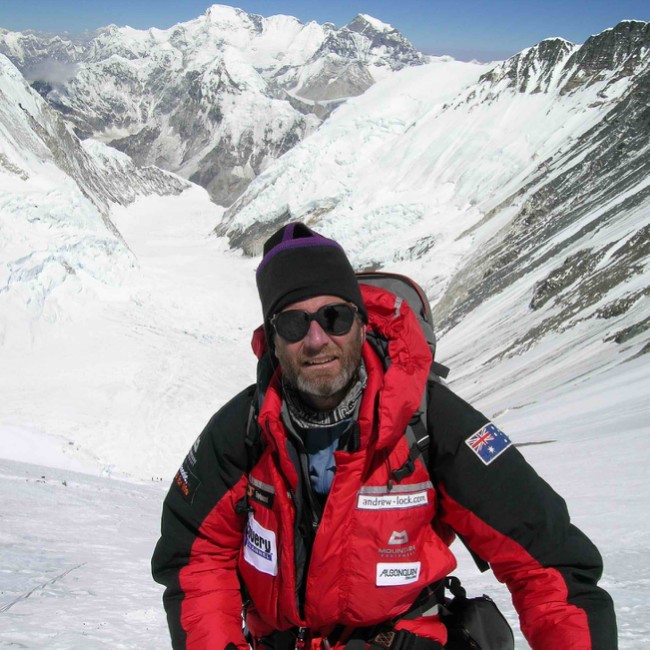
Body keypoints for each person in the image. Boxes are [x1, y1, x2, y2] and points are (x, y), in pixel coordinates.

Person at [152, 222, 617, 649]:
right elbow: (196, 558)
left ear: (361, 321)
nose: (316, 339)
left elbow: (548, 567)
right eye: (293, 323)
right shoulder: (244, 429)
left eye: (334, 317)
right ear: (271, 339)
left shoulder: (428, 421)